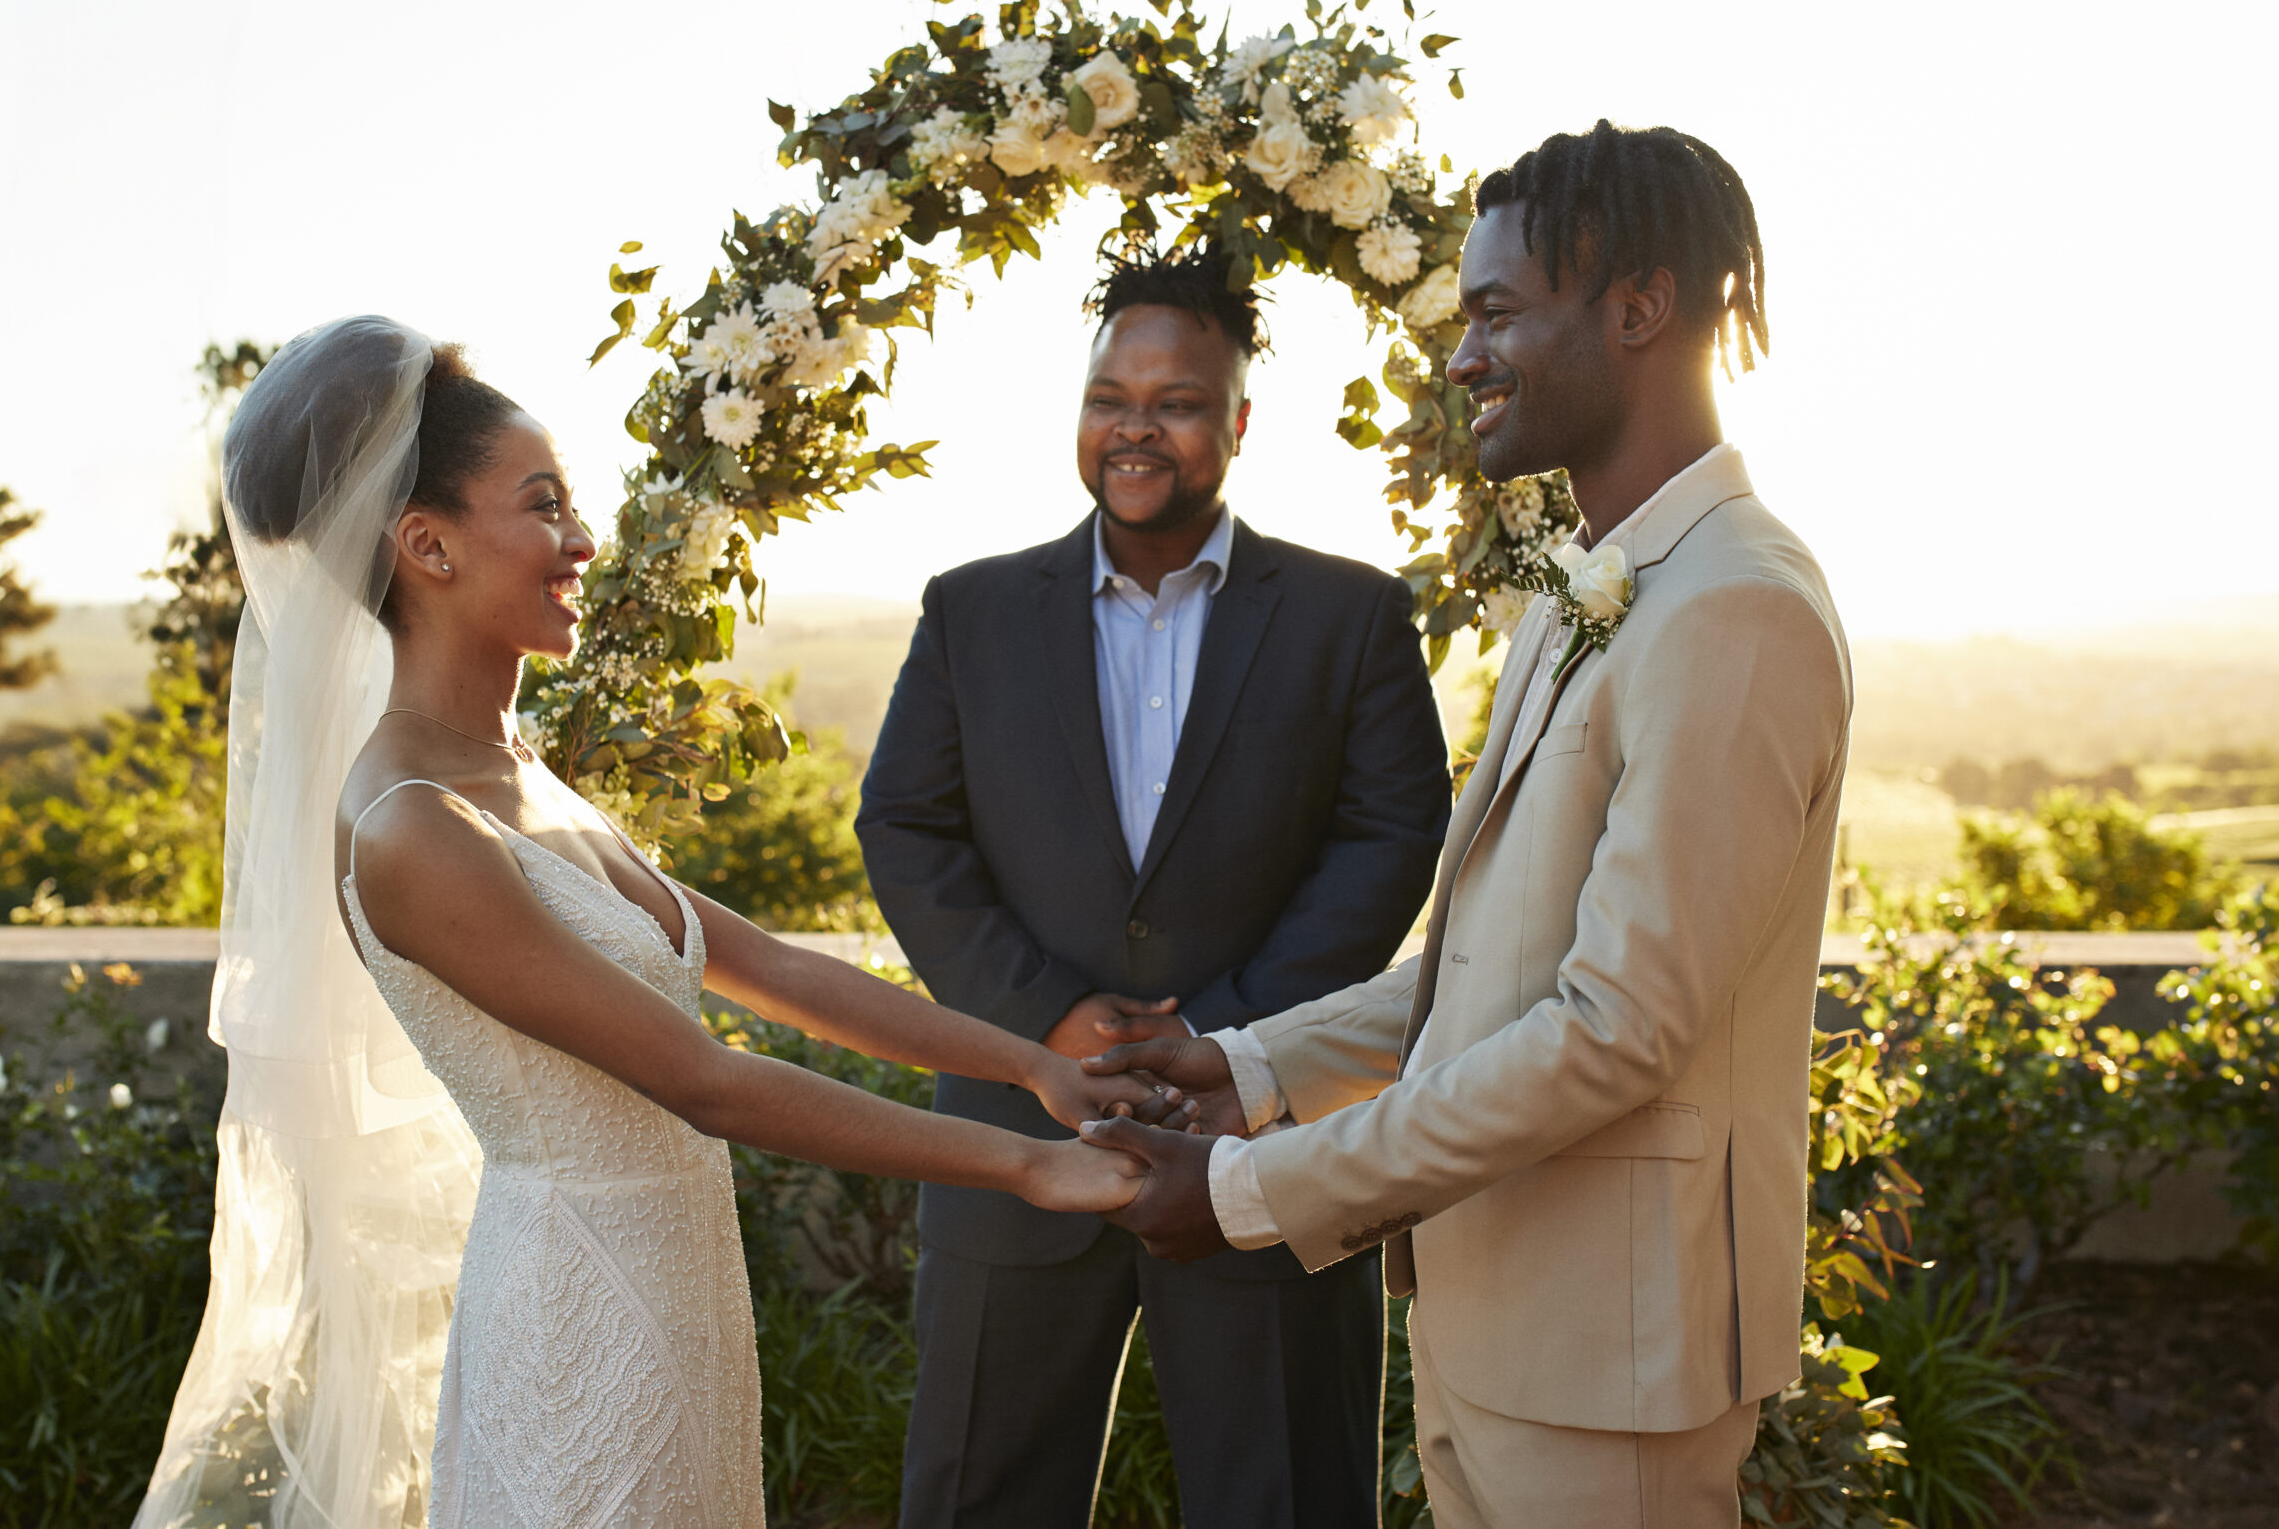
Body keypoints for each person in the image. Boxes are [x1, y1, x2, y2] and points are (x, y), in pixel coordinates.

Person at [134, 316, 1174, 1529]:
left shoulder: (515, 771)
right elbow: (706, 1083)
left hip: (676, 1295)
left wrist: (1036, 1068)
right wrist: (1028, 1166)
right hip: (578, 1317)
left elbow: (764, 965)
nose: (581, 540)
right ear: (427, 544)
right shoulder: (409, 826)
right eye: (543, 506)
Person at [1083, 121, 1851, 1529]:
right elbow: (1493, 969)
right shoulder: (1596, 590)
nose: (1460, 353)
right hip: (1504, 1317)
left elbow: (1614, 1026)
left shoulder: (1735, 604)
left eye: (1496, 309)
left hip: (1613, 1360)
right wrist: (1247, 1065)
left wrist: (1254, 1189)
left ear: (1637, 310)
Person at [858, 247, 1454, 1528]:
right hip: (1013, 1139)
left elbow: (1393, 833)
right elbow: (905, 825)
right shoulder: (970, 611)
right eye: (1107, 396)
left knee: (1283, 1503)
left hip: (1262, 1150)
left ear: (1236, 421)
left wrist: (1229, 1042)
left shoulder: (1350, 617)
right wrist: (1043, 1022)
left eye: (1175, 401)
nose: (1135, 427)